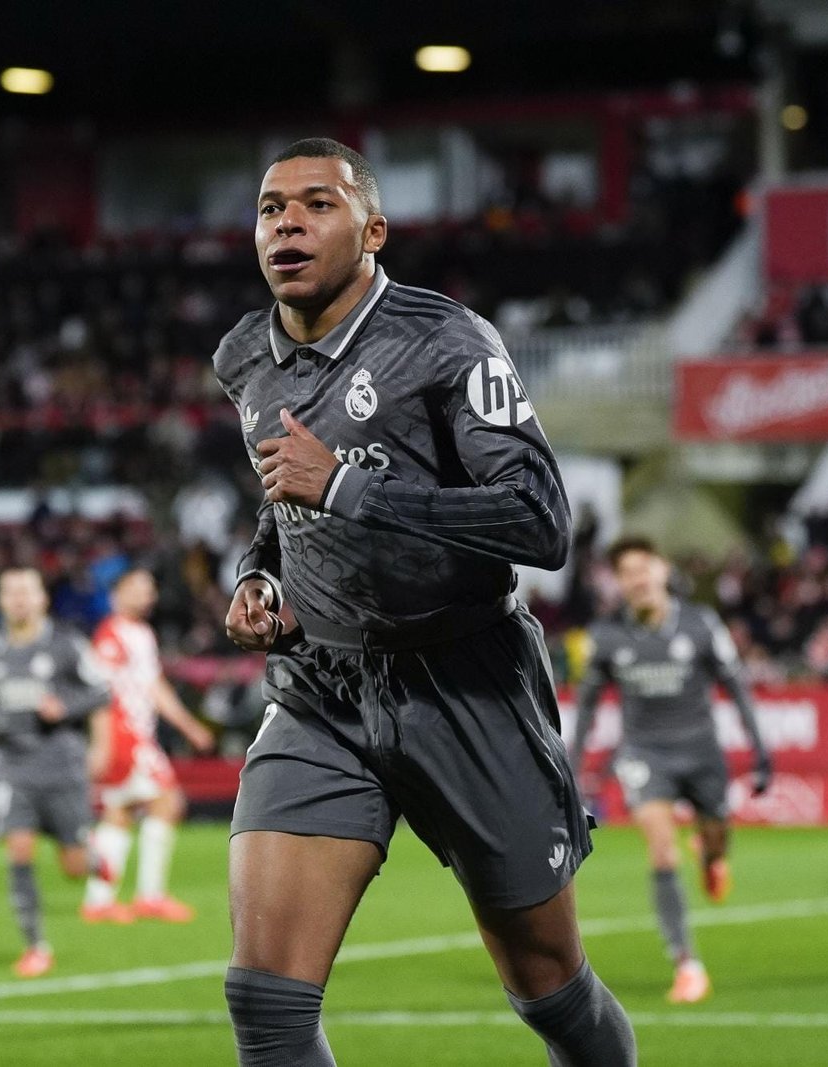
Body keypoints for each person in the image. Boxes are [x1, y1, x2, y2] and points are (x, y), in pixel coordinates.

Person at [216, 138, 635, 1066]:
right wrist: (261, 575)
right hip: (320, 689)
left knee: (551, 987)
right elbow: (285, 496)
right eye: (271, 207)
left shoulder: (449, 340)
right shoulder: (245, 354)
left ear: (373, 231)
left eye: (317, 204)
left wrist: (350, 488)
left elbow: (542, 520)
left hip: (465, 682)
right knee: (266, 1002)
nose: (287, 223)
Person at [570, 535, 772, 1004]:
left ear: (663, 569)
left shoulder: (701, 624)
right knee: (662, 852)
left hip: (701, 752)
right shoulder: (606, 635)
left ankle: (713, 856)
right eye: (626, 572)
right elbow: (587, 705)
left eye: (644, 567)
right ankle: (687, 965)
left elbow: (736, 686)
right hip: (644, 755)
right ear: (618, 583)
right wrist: (573, 768)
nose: (637, 579)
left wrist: (761, 749)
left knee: (717, 838)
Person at [0, 568, 115, 979]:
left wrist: (68, 709)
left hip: (61, 765)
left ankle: (92, 857)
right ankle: (36, 947)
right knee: (19, 849)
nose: (19, 598)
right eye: (10, 592)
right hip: (12, 767)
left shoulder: (66, 645)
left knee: (73, 867)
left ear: (42, 598)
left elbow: (101, 690)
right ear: (0, 601)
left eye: (26, 591)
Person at [81, 567, 215, 924]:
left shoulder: (140, 633)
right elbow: (100, 692)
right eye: (138, 588)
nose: (148, 595)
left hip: (137, 734)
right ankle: (148, 897)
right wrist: (103, 741)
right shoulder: (111, 635)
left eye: (150, 588)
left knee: (120, 812)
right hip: (125, 735)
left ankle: (100, 900)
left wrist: (188, 726)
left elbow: (154, 686)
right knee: (167, 802)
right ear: (116, 594)